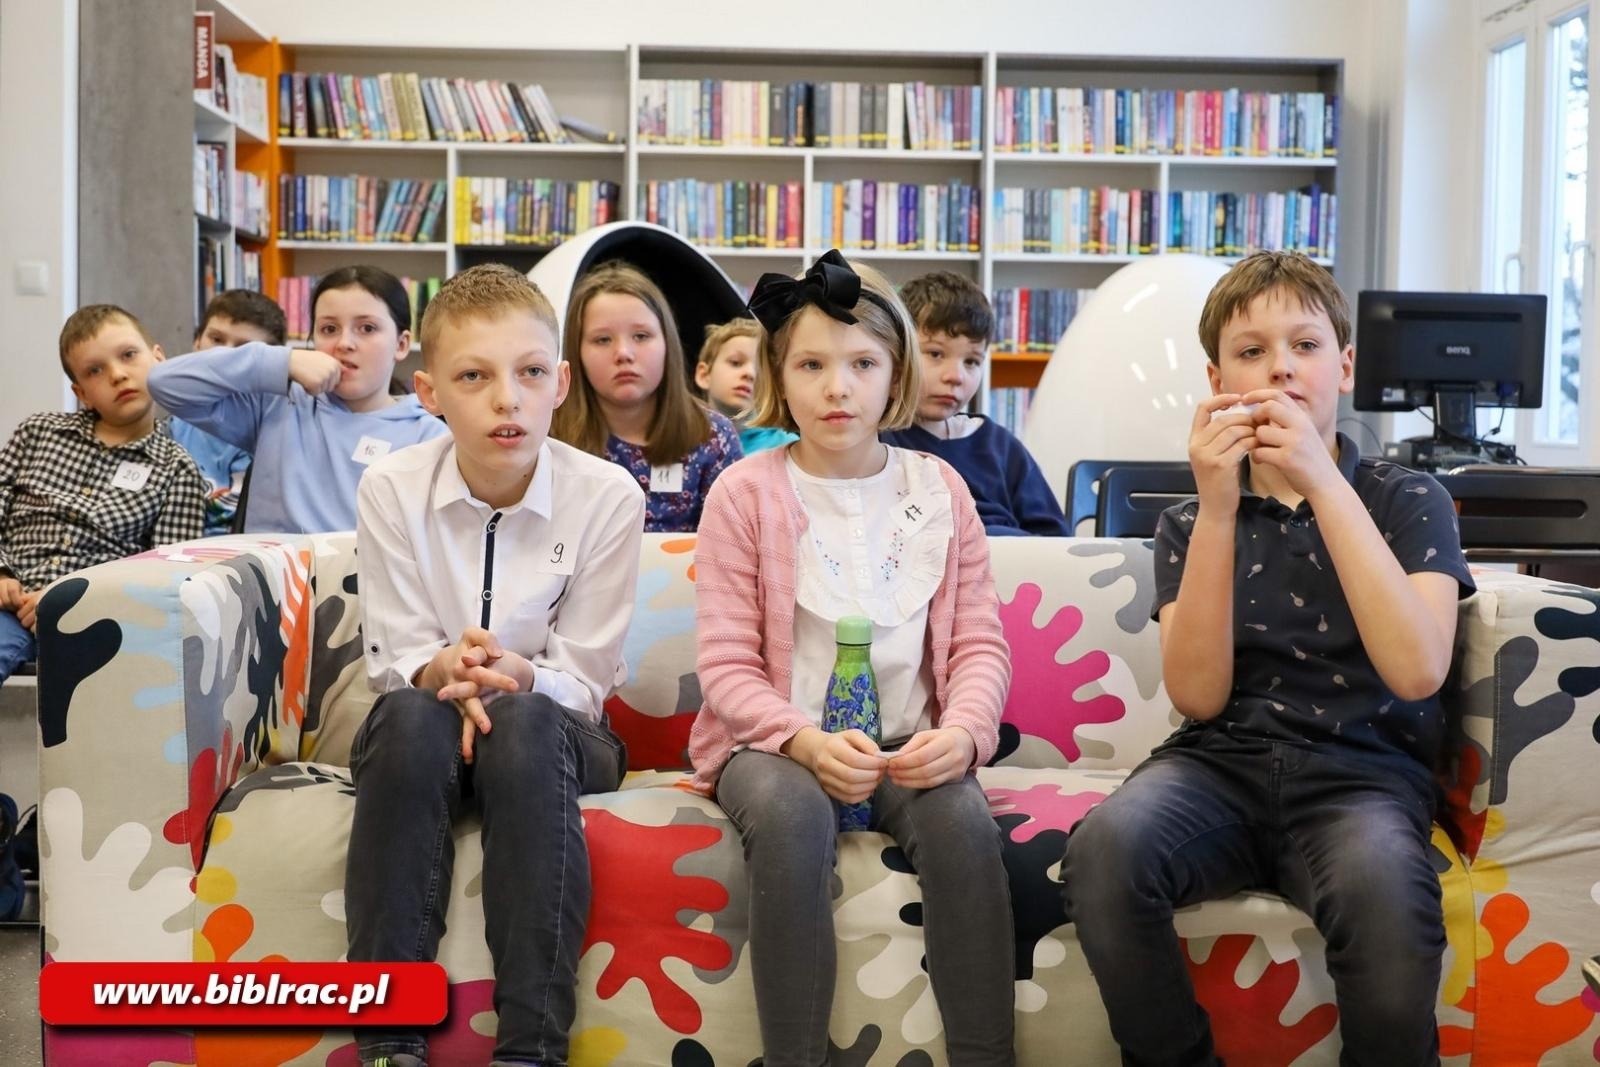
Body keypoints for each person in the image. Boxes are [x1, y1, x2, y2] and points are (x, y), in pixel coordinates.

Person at [1061, 251, 1475, 1065]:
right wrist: (1217, 509)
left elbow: (1418, 670)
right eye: (1252, 352)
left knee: (1389, 902)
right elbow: (1199, 695)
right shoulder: (1189, 519)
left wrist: (1324, 484)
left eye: (1305, 346)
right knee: (1105, 851)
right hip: (1220, 765)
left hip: (1361, 776)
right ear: (1218, 380)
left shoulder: (1405, 499)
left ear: (1345, 366)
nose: (1281, 366)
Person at [689, 251, 1015, 1066]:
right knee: (795, 813)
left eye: (862, 363)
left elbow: (980, 642)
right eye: (812, 364)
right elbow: (727, 666)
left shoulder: (941, 488)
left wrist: (967, 732)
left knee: (964, 823)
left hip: (910, 739)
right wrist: (801, 740)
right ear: (778, 374)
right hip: (772, 744)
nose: (838, 387)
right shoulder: (744, 491)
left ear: (895, 370)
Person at [346, 264, 645, 1067]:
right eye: (474, 376)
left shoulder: (608, 494)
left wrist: (513, 672)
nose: (506, 399)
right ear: (429, 391)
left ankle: (530, 1047)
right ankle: (388, 1041)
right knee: (412, 715)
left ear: (561, 383)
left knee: (524, 716)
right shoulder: (390, 486)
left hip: (560, 733)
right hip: (428, 720)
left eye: (530, 373)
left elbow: (584, 679)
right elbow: (397, 654)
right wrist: (447, 664)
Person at [148, 265, 447, 533]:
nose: (344, 343)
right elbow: (163, 382)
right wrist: (282, 361)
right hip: (271, 589)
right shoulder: (279, 405)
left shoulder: (430, 435)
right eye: (329, 329)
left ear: (402, 343)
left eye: (367, 328)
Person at [0, 304, 206, 683]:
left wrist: (70, 596)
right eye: (95, 370)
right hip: (7, 601)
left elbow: (166, 581)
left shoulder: (177, 469)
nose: (117, 374)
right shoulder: (38, 433)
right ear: (82, 393)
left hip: (97, 617)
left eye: (129, 355)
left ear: (159, 359)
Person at [549, 262, 741, 531]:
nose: (624, 353)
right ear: (576, 351)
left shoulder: (713, 436)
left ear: (667, 344)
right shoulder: (548, 434)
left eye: (641, 336)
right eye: (603, 340)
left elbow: (731, 549)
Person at [879, 272, 1067, 536]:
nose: (955, 376)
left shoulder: (1001, 447)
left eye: (971, 362)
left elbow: (1056, 541)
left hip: (1010, 567)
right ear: (897, 354)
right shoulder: (878, 443)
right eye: (935, 354)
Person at [168, 289, 288, 534]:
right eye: (216, 339)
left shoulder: (280, 428)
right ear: (196, 341)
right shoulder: (172, 428)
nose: (224, 356)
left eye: (245, 350)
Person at [693, 317, 796, 454]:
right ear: (704, 375)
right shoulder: (676, 434)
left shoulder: (787, 448)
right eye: (736, 363)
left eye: (761, 371)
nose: (749, 374)